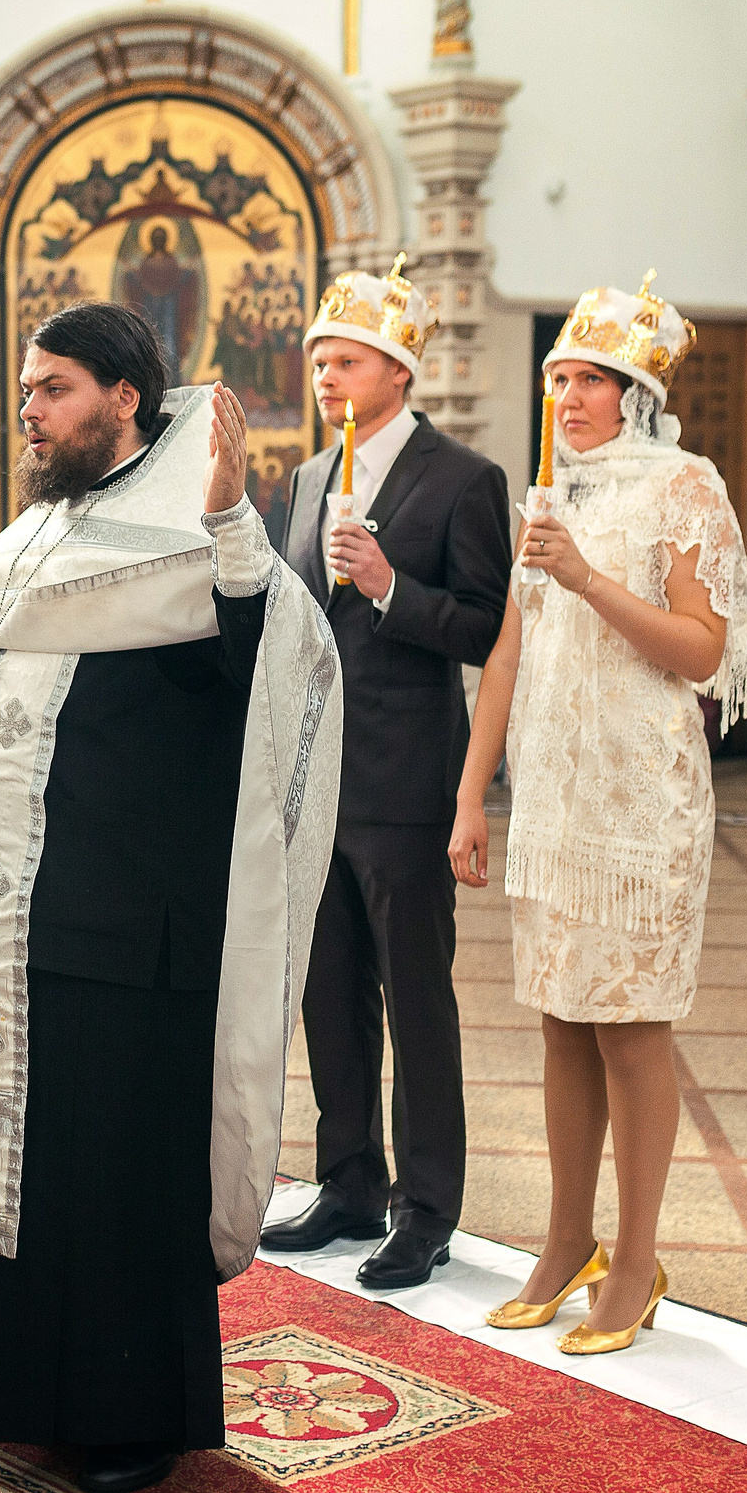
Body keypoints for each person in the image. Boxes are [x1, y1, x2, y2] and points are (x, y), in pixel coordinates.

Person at [0, 301, 339, 1493]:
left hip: (125, 920)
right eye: (25, 389)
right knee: (26, 1171)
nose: (31, 409)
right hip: (4, 911)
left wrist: (230, 526)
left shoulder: (190, 526)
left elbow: (256, 660)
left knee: (109, 1186)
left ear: (124, 398)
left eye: (53, 388)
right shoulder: (34, 539)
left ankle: (126, 1419)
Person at [447, 276, 747, 1354]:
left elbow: (700, 652)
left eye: (587, 380)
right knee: (560, 1019)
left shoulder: (685, 488)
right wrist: (471, 790)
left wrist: (582, 577)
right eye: (557, 378)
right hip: (555, 795)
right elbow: (506, 649)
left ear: (634, 392)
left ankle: (636, 1258)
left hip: (642, 799)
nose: (567, 397)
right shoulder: (552, 494)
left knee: (629, 1025)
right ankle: (564, 1236)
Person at [257, 257, 510, 1290]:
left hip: (408, 782)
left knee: (416, 999)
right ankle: (350, 1182)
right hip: (321, 781)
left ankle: (426, 1208)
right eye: (319, 359)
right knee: (329, 994)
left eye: (346, 360)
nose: (326, 375)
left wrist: (393, 586)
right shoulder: (309, 479)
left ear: (397, 372)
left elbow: (489, 628)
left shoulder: (463, 480)